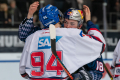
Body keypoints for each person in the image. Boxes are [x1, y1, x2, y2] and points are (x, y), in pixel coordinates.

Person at [19, 4, 105, 80]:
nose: (67, 26)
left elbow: (97, 73)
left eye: (72, 23)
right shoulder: (71, 35)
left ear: (80, 25)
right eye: (65, 22)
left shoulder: (33, 36)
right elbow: (100, 44)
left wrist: (85, 76)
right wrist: (89, 22)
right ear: (60, 19)